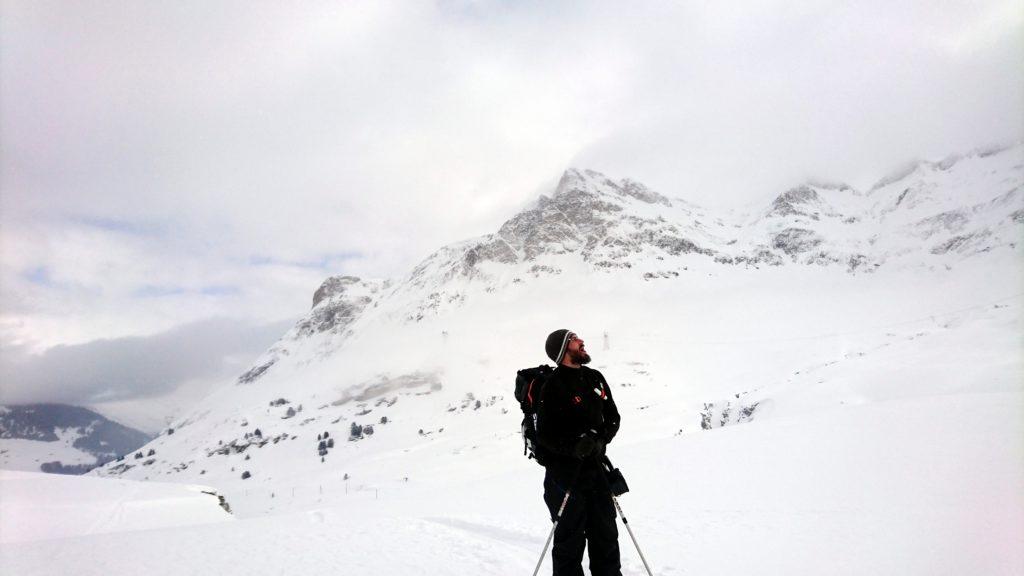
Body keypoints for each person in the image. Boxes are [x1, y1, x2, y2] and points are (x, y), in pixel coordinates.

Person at [536, 329, 622, 576]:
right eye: (574, 340)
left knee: (606, 537)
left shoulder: (595, 377)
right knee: (569, 544)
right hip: (565, 478)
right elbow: (544, 436)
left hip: (596, 472)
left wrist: (600, 441)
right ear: (563, 351)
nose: (582, 341)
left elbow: (613, 417)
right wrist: (574, 447)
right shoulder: (552, 386)